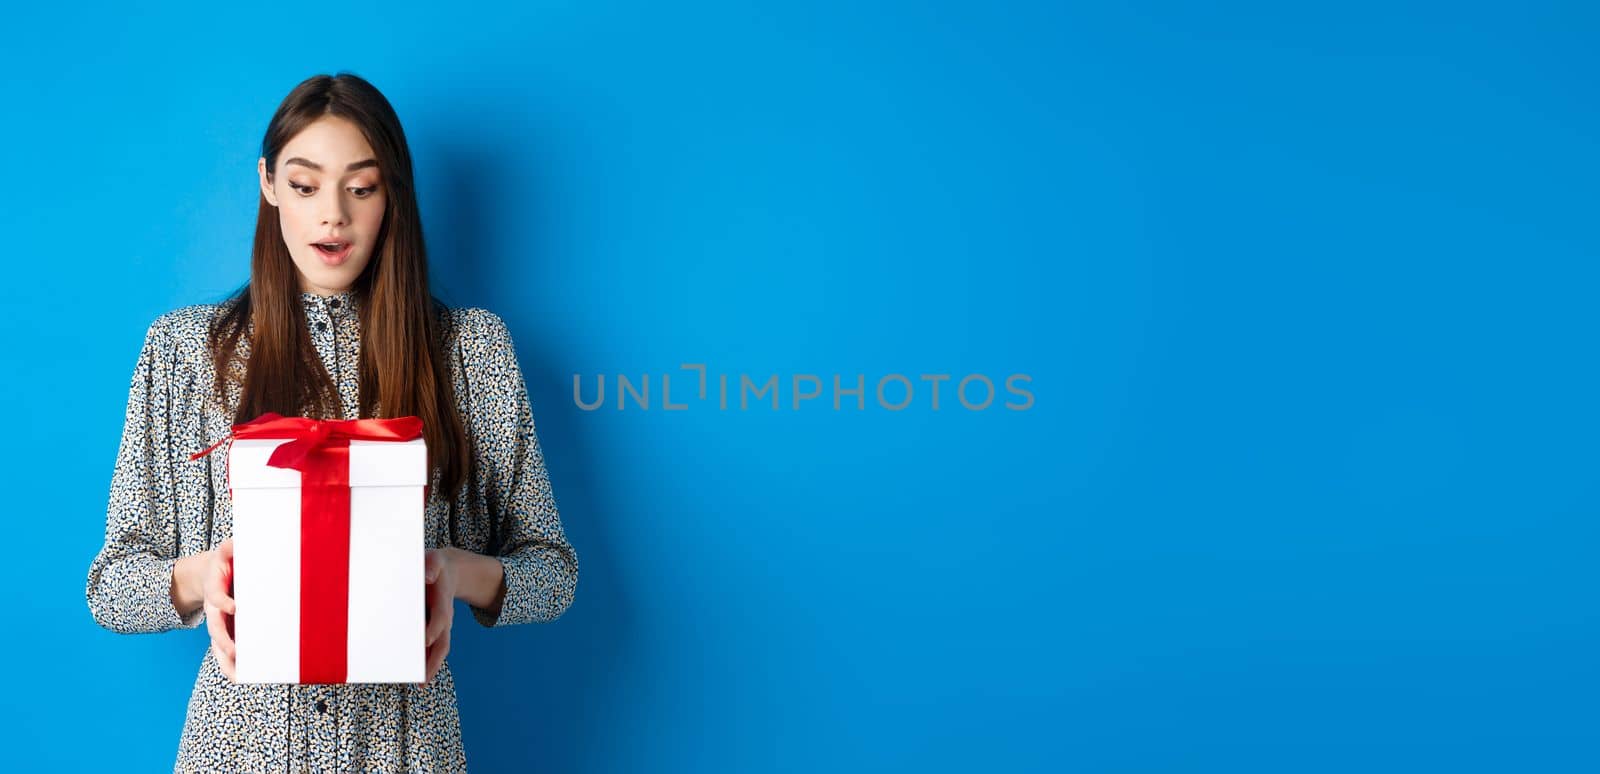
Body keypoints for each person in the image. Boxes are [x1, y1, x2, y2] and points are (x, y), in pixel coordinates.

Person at [84, 72, 579, 771]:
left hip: (407, 750)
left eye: (362, 187)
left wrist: (451, 571)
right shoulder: (184, 352)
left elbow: (552, 574)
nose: (333, 216)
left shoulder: (472, 351)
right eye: (306, 184)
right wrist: (203, 577)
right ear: (268, 184)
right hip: (239, 751)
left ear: (391, 196)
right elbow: (111, 587)